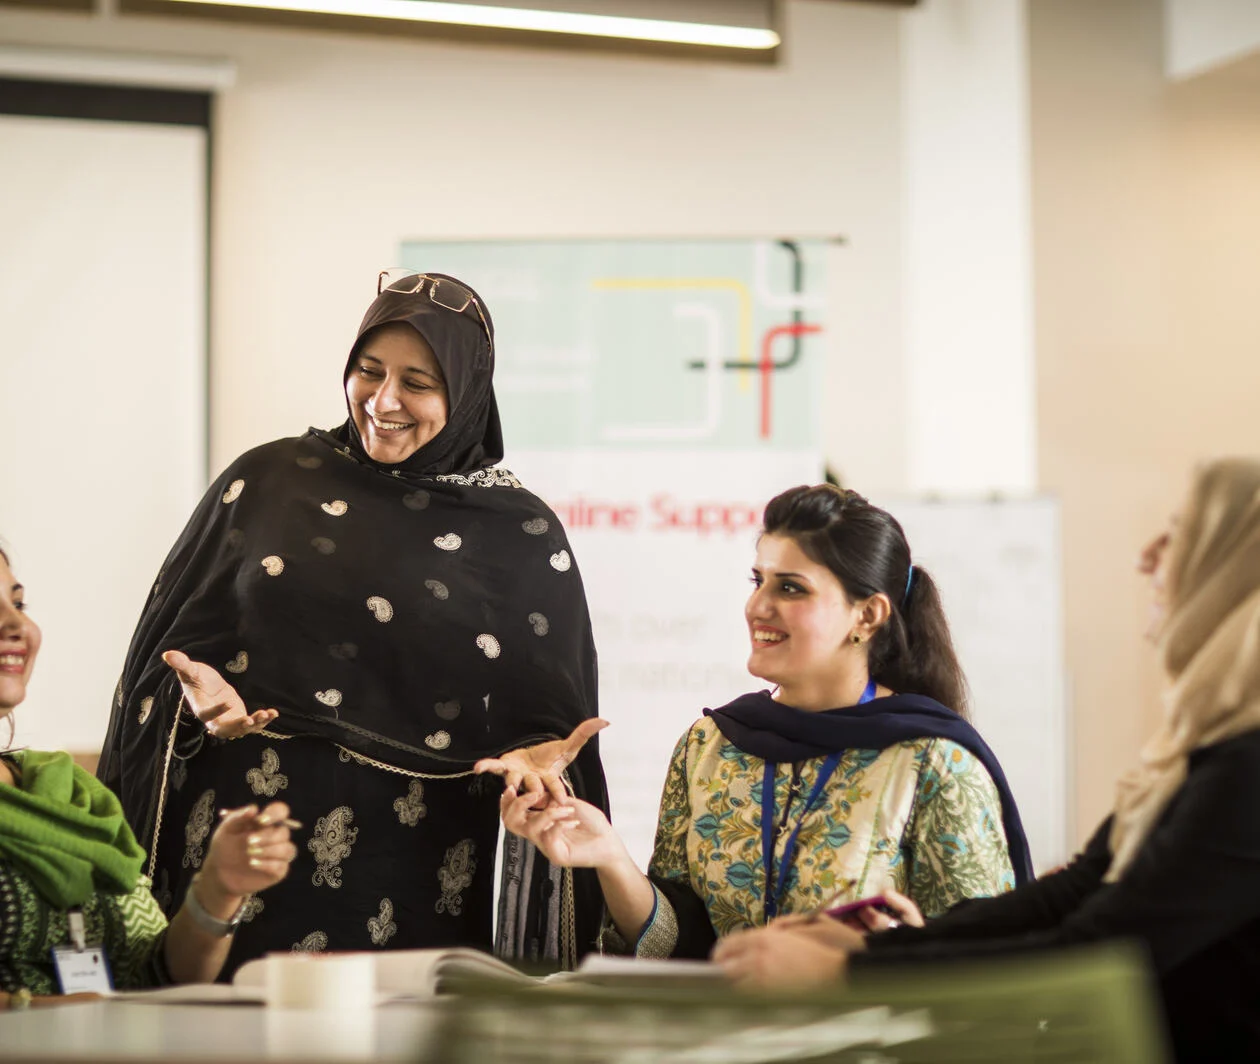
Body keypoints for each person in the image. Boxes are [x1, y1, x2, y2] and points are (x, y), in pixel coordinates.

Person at [97, 271, 608, 975]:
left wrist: (531, 765)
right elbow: (166, 659)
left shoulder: (518, 536)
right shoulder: (269, 482)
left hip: (412, 876)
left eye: (418, 383)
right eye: (368, 372)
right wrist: (195, 706)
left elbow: (551, 730)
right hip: (243, 849)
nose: (384, 400)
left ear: (466, 394)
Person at [714, 459, 1260, 1062]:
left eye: (1180, 534)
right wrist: (862, 953)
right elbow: (1071, 897)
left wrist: (852, 972)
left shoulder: (1248, 770)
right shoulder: (1209, 752)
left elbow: (1103, 948)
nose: (1147, 558)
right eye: (757, 579)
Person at [496, 485, 1031, 959]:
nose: (758, 605)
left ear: (867, 615)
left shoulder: (935, 762)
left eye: (791, 588)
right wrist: (611, 857)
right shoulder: (709, 746)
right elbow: (682, 944)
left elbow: (984, 964)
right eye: (758, 580)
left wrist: (875, 959)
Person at [0, 546, 295, 1005]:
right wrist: (41, 1012)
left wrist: (219, 887)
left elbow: (153, 973)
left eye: (17, 604)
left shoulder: (64, 789)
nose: (16, 625)